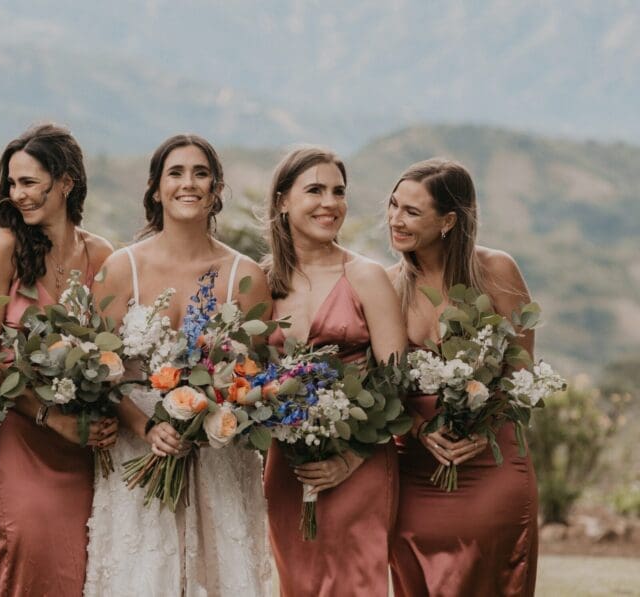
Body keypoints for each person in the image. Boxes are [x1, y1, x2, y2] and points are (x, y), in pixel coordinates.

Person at [83, 134, 273, 597]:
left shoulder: (244, 276)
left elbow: (252, 377)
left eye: (201, 173)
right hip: (139, 450)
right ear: (155, 188)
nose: (188, 183)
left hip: (218, 454)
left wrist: (212, 416)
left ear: (216, 188)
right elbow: (100, 375)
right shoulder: (119, 268)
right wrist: (147, 426)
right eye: (176, 173)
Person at [0, 123, 116, 596]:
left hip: (84, 446)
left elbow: (116, 353)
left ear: (66, 183)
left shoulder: (103, 255)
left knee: (79, 569)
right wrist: (51, 416)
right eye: (12, 183)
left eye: (29, 182)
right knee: (25, 551)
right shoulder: (2, 247)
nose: (17, 195)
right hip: (19, 434)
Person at [386, 158, 538, 596]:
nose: (396, 219)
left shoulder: (496, 271)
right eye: (394, 205)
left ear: (449, 220)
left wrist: (484, 425)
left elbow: (522, 375)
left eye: (411, 212)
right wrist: (419, 430)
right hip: (417, 468)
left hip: (492, 460)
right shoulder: (386, 286)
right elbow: (383, 386)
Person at [260, 147, 406, 596]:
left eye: (338, 192)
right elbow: (246, 374)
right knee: (298, 583)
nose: (330, 203)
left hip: (360, 461)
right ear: (283, 200)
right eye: (315, 190)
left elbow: (396, 378)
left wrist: (349, 458)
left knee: (354, 584)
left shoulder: (365, 276)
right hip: (289, 465)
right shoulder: (261, 281)